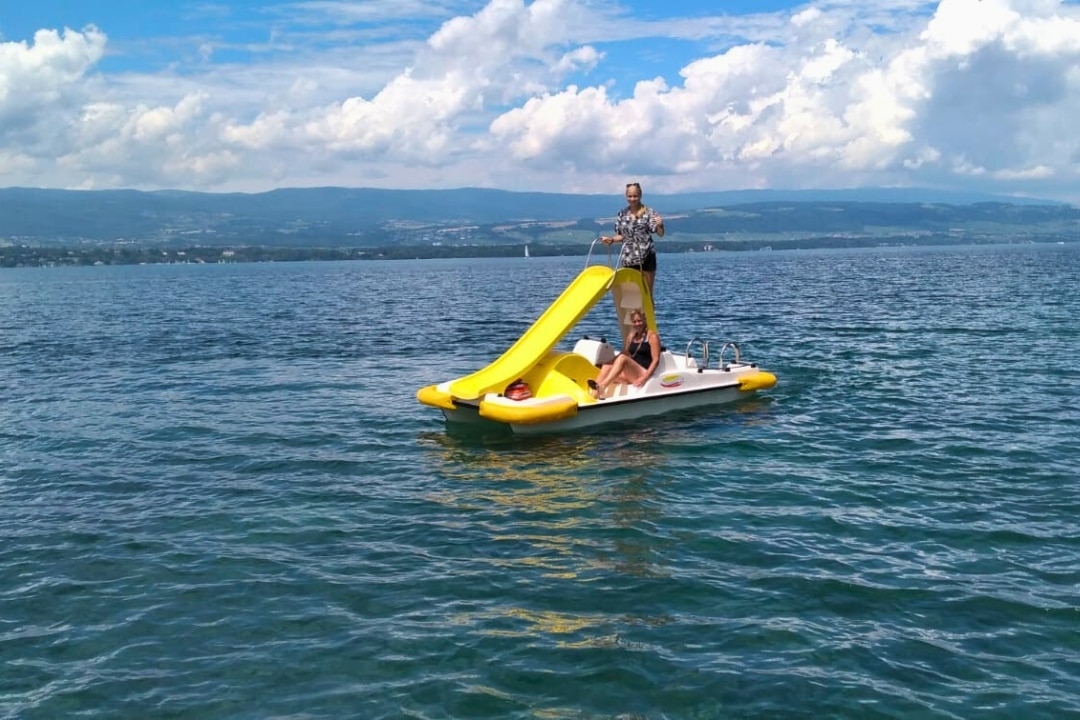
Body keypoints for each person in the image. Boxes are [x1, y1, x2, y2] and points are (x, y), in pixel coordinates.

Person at [600, 182, 664, 296]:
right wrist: (612, 240)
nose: (632, 199)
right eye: (630, 196)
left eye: (635, 196)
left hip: (646, 257)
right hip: (629, 258)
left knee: (647, 294)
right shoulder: (622, 214)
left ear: (640, 196)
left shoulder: (649, 212)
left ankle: (649, 313)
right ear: (626, 196)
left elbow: (660, 233)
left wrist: (660, 225)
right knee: (632, 297)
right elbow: (621, 235)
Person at [588, 309, 661, 400]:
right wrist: (608, 364)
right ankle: (593, 396)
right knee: (607, 365)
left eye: (639, 321)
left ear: (645, 320)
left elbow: (656, 360)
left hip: (643, 372)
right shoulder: (631, 336)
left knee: (623, 358)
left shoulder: (652, 336)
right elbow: (625, 353)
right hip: (631, 373)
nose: (637, 324)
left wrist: (644, 378)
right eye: (634, 322)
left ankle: (602, 386)